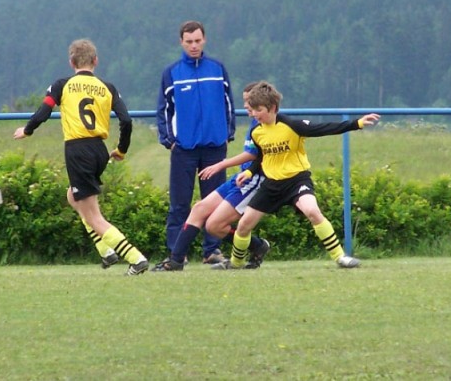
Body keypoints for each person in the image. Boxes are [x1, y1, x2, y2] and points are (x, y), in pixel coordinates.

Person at [13, 39, 149, 276]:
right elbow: (126, 121)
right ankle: (106, 252)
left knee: (94, 216)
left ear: (71, 62)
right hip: (99, 149)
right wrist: (122, 149)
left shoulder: (62, 84)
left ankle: (135, 259)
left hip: (77, 150)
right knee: (73, 197)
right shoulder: (108, 87)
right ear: (96, 61)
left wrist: (27, 130)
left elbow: (44, 111)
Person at [215, 81, 380, 269]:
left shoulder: (292, 125)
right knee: (244, 225)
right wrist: (249, 171)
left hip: (296, 181)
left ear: (273, 108)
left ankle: (341, 257)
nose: (254, 114)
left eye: (258, 109)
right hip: (272, 185)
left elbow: (324, 128)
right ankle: (236, 264)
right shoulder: (257, 132)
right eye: (252, 110)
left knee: (312, 211)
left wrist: (357, 123)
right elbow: (261, 156)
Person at [152, 82, 270, 271]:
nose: (246, 106)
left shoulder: (268, 124)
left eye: (249, 101)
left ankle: (255, 246)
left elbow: (255, 155)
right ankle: (175, 261)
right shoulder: (255, 122)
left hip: (254, 181)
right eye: (245, 101)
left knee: (214, 226)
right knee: (199, 209)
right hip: (241, 178)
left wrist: (220, 164)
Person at [155, 20, 236, 268]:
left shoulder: (217, 68)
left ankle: (211, 251)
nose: (193, 46)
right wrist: (169, 141)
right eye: (189, 41)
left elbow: (228, 104)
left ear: (205, 40)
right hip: (184, 150)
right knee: (179, 204)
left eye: (197, 41)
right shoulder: (172, 73)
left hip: (214, 148)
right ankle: (176, 253)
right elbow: (164, 110)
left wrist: (228, 133)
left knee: (214, 201)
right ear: (181, 42)